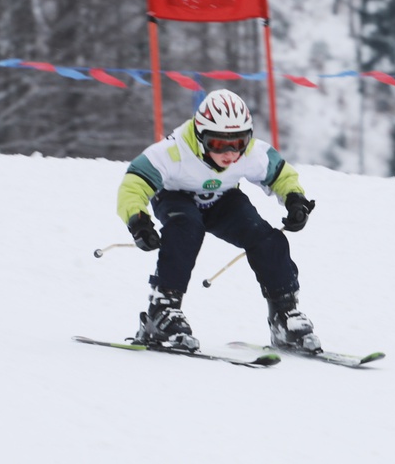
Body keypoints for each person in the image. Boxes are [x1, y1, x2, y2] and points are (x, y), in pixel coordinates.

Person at [116, 89, 319, 353]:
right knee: (187, 228)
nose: (231, 154)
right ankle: (162, 311)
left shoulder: (251, 152)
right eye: (219, 144)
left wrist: (295, 199)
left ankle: (284, 315)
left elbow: (281, 173)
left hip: (222, 199)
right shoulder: (172, 151)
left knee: (266, 237)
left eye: (239, 142)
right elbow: (133, 184)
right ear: (200, 137)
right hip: (176, 197)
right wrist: (138, 220)